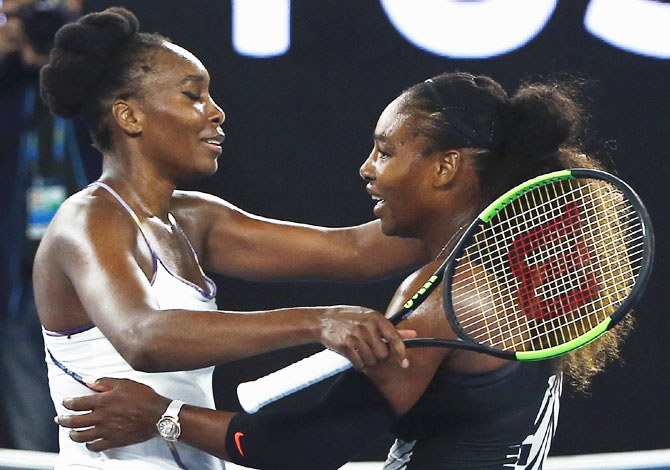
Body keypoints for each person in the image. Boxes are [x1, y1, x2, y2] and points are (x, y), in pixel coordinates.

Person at [56, 70, 635, 470]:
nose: (367, 169)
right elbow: (355, 252)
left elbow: (306, 449)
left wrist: (165, 416)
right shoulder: (518, 276)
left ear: (446, 168)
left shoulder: (447, 296)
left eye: (385, 150)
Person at [34, 7, 430, 470]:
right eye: (193, 96)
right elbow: (143, 338)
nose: (216, 112)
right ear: (129, 116)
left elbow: (356, 252)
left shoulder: (195, 218)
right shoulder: (87, 219)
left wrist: (475, 202)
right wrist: (317, 321)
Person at [0, 0, 89, 452]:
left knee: (97, 417)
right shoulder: (8, 82)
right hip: (17, 276)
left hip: (93, 276)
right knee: (34, 427)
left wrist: (66, 57)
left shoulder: (101, 72)